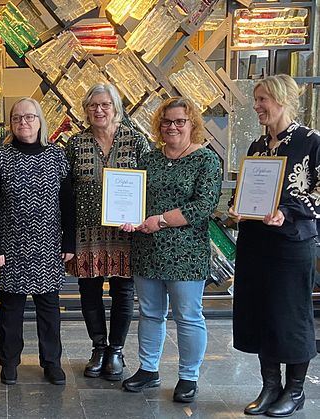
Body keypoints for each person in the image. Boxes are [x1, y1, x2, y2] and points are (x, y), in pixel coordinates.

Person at [120, 97, 221, 403]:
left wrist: (160, 221)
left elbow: (203, 205)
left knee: (188, 316)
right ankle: (149, 369)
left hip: (186, 254)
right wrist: (128, 218)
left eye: (180, 121)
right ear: (158, 126)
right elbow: (134, 199)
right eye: (167, 122)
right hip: (147, 249)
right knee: (149, 313)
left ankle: (189, 376)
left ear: (192, 124)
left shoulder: (206, 160)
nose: (173, 127)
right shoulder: (149, 160)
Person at [230, 74, 320, 417]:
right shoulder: (257, 146)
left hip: (291, 245)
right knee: (261, 313)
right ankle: (270, 387)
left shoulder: (311, 141)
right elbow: (253, 191)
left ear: (281, 99)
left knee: (291, 317)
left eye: (262, 99)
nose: (257, 107)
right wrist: (240, 208)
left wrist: (287, 211)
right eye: (256, 100)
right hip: (256, 244)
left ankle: (294, 392)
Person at [0, 97, 73, 386]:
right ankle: (9, 363)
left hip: (48, 245)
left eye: (29, 117)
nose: (23, 122)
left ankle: (52, 363)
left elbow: (68, 204)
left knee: (49, 310)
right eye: (17, 118)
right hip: (11, 247)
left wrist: (69, 243)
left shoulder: (57, 157)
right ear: (11, 124)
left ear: (40, 121)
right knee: (11, 311)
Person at [66, 84, 150, 381]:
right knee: (88, 290)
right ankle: (98, 348)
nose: (99, 111)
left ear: (116, 107)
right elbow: (67, 189)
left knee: (122, 291)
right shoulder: (75, 144)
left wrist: (140, 218)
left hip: (125, 232)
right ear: (85, 111)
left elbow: (148, 185)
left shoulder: (136, 140)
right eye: (92, 106)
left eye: (104, 105)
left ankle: (116, 350)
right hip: (86, 231)